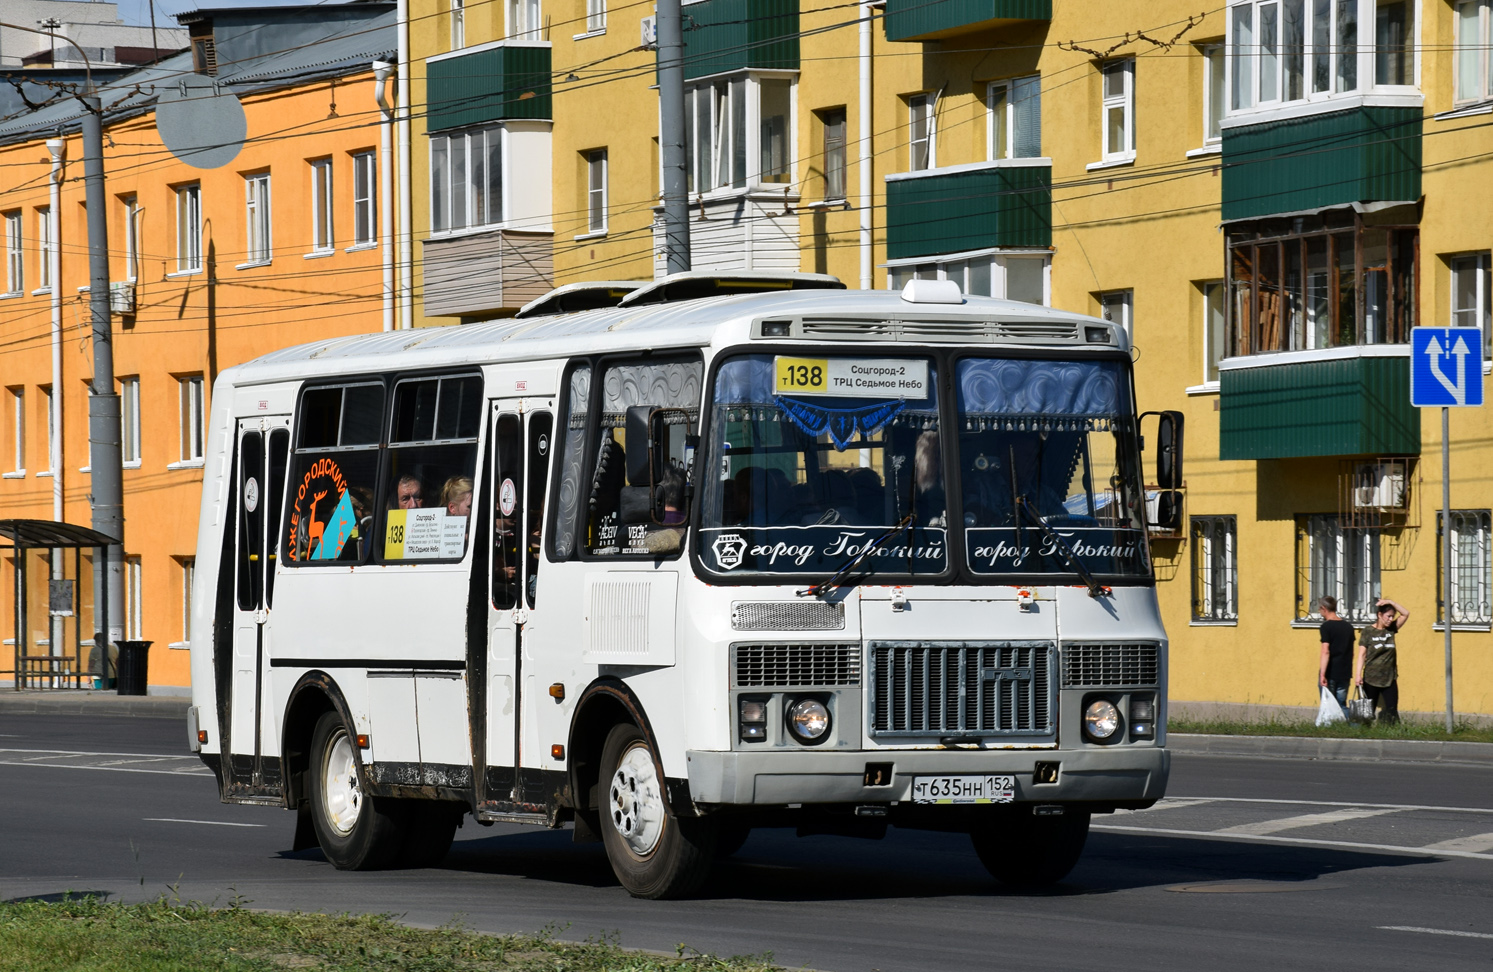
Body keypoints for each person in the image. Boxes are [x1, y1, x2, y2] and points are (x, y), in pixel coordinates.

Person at [1355, 596, 1409, 725]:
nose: (1390, 619)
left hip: (1389, 679)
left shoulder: (1391, 629)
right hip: (1370, 678)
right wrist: (1358, 675)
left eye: (1392, 616)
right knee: (1366, 713)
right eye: (1388, 616)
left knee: (1392, 709)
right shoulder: (1368, 631)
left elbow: (1406, 614)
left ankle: (1391, 732)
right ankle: (1362, 733)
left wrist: (1391, 602)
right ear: (1380, 615)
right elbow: (1362, 654)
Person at [1317, 596, 1356, 708]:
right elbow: (1352, 653)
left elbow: (1325, 651)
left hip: (1331, 672)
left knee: (1329, 705)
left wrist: (1322, 674)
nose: (1319, 612)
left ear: (1324, 608)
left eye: (1319, 609)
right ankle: (1345, 724)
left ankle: (1329, 725)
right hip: (1345, 672)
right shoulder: (1348, 627)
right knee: (1342, 704)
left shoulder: (1326, 627)